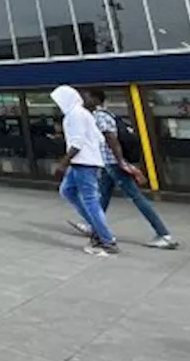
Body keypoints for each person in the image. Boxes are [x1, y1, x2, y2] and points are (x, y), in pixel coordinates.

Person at [65, 89, 178, 249]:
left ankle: (164, 234)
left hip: (113, 164)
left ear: (96, 99)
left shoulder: (100, 116)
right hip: (108, 164)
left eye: (86, 97)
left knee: (136, 198)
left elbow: (112, 139)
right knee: (102, 197)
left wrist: (121, 162)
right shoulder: (107, 115)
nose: (83, 100)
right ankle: (94, 226)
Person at [52, 85, 119, 256]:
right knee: (67, 191)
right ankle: (96, 229)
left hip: (83, 163)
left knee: (91, 201)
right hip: (84, 162)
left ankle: (106, 240)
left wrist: (63, 163)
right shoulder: (83, 114)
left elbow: (77, 143)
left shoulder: (74, 115)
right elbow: (98, 138)